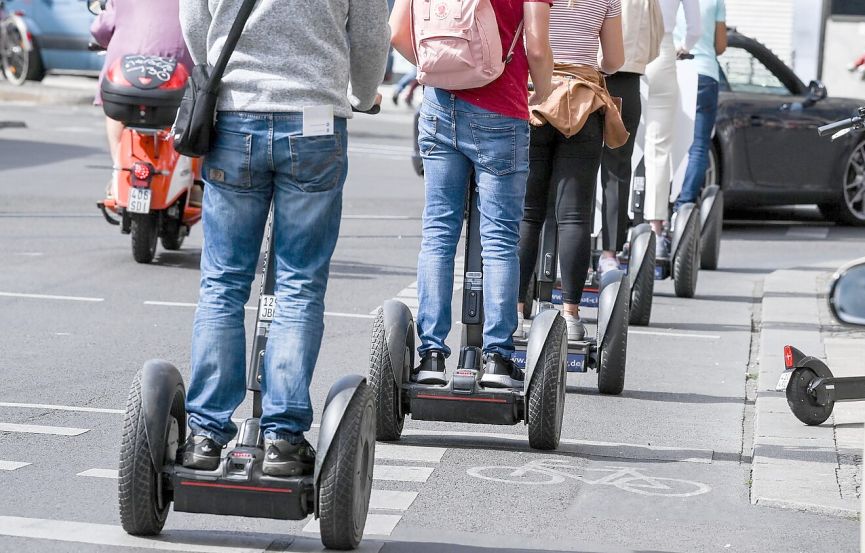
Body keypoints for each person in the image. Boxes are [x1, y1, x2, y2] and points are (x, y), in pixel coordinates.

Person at [177, 0, 389, 476]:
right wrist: (365, 93)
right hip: (315, 119)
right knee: (299, 284)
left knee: (224, 283)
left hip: (236, 114)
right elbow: (373, 37)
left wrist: (220, 67)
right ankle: (282, 441)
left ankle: (206, 434)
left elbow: (193, 20)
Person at [389, 0, 554, 387]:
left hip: (439, 104)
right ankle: (497, 357)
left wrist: (443, 67)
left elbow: (397, 32)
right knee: (499, 239)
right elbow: (538, 47)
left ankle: (430, 356)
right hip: (501, 110)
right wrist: (544, 94)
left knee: (438, 234)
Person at [517, 0, 627, 340]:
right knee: (575, 216)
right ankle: (571, 314)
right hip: (582, 100)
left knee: (528, 213)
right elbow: (614, 60)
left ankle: (517, 312)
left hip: (533, 97)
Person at [90, 0, 192, 196]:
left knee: (115, 111)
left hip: (126, 67)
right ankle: (194, 182)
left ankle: (118, 172)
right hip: (177, 64)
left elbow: (101, 29)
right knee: (195, 112)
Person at [596, 0, 664, 274]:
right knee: (617, 167)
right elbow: (655, 40)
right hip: (626, 78)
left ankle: (557, 252)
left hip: (579, 74)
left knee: (574, 164)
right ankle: (610, 252)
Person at [642, 0, 700, 256]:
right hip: (662, 49)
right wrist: (684, 47)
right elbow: (695, 28)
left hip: (626, 43)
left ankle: (606, 227)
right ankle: (655, 228)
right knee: (659, 144)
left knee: (613, 140)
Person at [673, 0, 726, 209]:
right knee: (699, 145)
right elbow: (720, 46)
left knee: (662, 142)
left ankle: (654, 208)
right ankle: (683, 206)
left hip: (673, 70)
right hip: (704, 73)